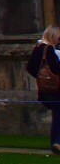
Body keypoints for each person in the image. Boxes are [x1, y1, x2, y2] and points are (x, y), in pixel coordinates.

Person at [26, 25, 60, 154]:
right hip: (55, 90)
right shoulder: (49, 50)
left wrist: (40, 77)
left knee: (57, 116)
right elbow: (55, 68)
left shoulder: (37, 49)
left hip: (44, 90)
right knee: (58, 117)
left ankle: (55, 144)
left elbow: (30, 67)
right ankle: (57, 142)